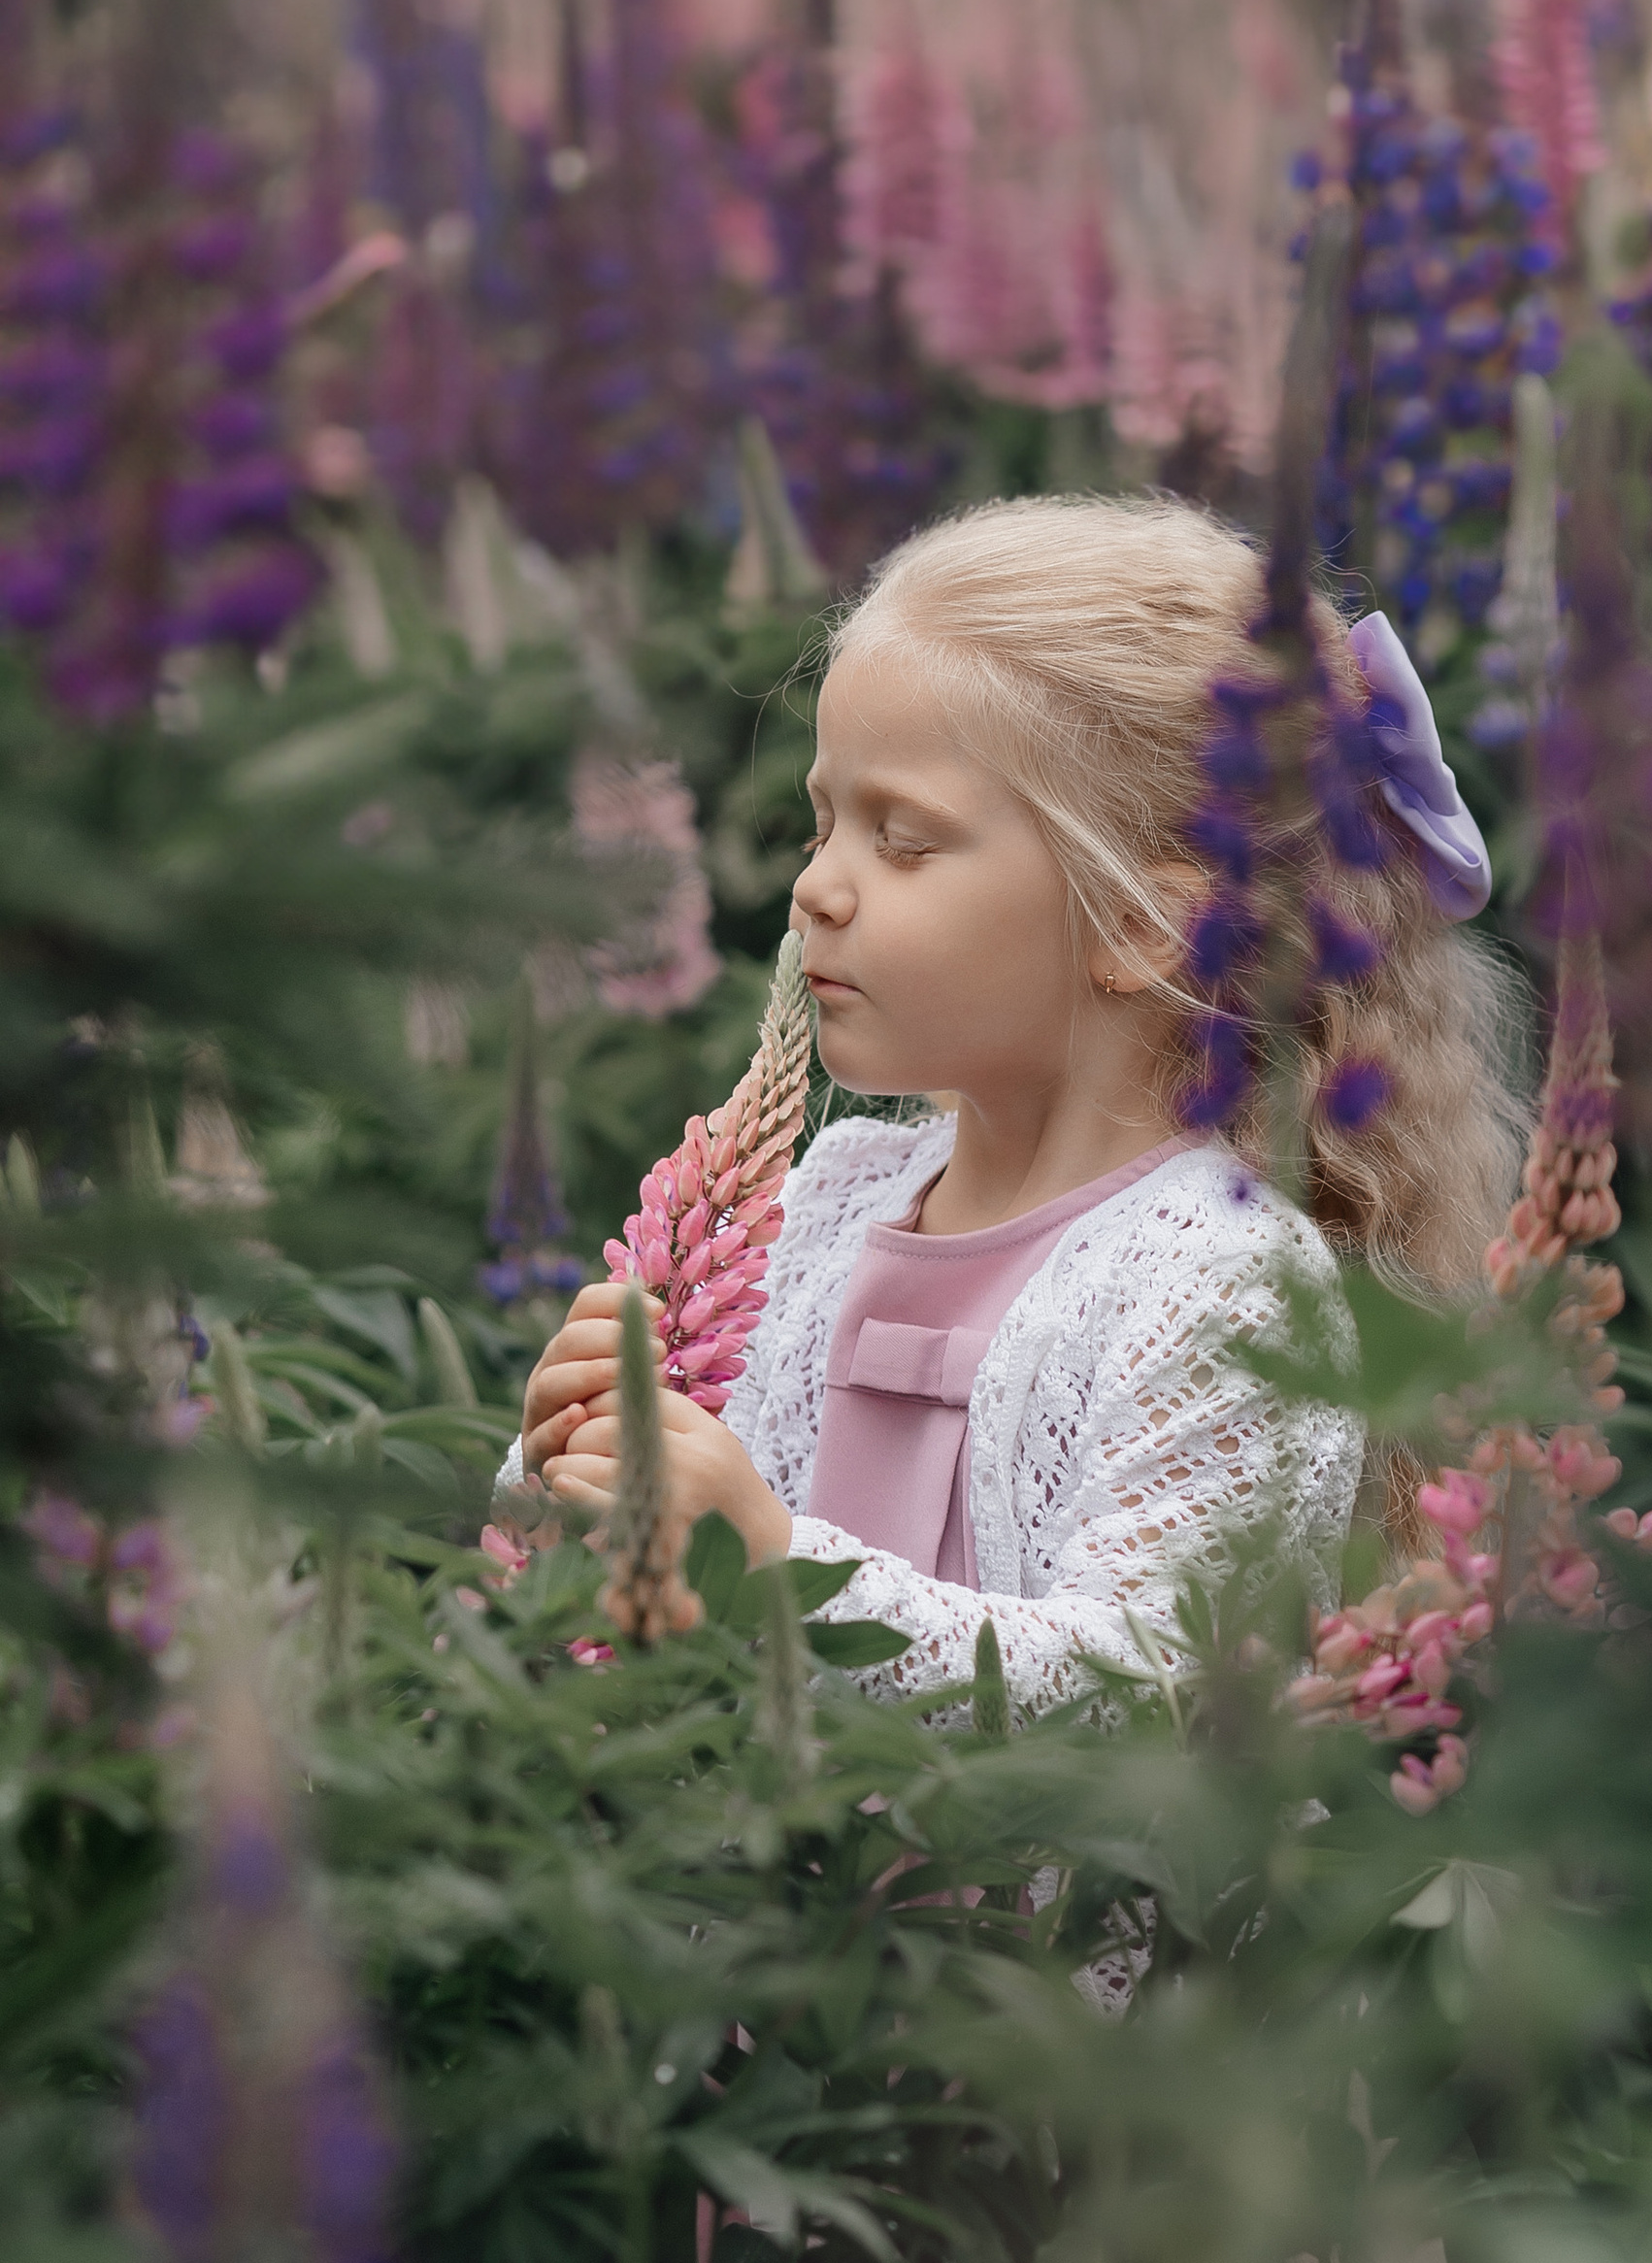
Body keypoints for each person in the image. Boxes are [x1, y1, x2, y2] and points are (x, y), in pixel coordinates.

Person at [514, 491, 1523, 1717]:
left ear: (1146, 926)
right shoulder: (826, 1202)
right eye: (823, 820)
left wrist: (772, 1575)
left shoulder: (1226, 1281)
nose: (815, 889)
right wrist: (565, 1470)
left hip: (1032, 1914)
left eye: (904, 840)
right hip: (772, 1904)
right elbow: (630, 1626)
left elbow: (1157, 1698)